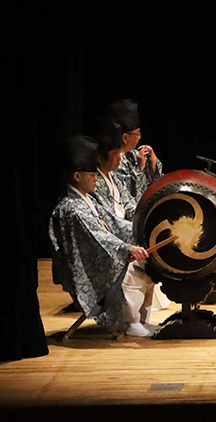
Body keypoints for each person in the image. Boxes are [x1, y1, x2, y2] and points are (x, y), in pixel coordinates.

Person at [48, 135, 160, 336]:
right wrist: (127, 248)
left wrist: (142, 232)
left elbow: (114, 223)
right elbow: (97, 235)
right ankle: (130, 323)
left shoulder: (87, 200)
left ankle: (141, 320)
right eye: (91, 175)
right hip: (87, 266)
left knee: (149, 264)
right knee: (132, 267)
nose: (95, 178)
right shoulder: (71, 208)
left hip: (101, 254)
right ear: (77, 176)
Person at [92, 127, 173, 313]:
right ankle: (131, 320)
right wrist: (138, 231)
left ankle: (142, 317)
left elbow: (129, 203)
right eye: (115, 155)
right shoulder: (96, 183)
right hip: (115, 237)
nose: (120, 159)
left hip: (126, 228)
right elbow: (110, 221)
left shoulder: (113, 177)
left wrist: (147, 220)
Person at [104, 99, 163, 200]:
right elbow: (134, 197)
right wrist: (140, 168)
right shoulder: (114, 162)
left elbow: (157, 183)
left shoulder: (135, 155)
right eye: (137, 134)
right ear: (125, 138)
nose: (139, 138)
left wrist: (152, 160)